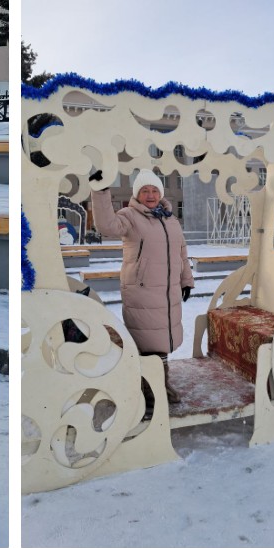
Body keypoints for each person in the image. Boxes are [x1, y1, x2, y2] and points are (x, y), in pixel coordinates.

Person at [90, 170, 193, 399]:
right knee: (148, 343)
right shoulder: (130, 216)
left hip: (168, 293)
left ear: (161, 193)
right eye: (145, 190)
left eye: (154, 190)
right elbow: (107, 226)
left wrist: (186, 279)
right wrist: (100, 190)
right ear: (137, 193)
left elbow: (181, 251)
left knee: (162, 341)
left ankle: (158, 385)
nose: (150, 195)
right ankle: (151, 390)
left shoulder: (169, 218)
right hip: (143, 291)